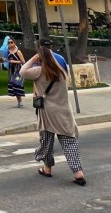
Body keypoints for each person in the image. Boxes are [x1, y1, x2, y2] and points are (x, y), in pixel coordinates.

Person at [20, 37, 86, 185]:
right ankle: (78, 173)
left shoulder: (39, 71)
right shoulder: (62, 70)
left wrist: (34, 58)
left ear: (40, 55)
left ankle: (47, 168)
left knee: (46, 142)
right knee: (69, 142)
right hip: (64, 111)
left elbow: (23, 71)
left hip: (47, 113)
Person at [6, 37, 26, 107]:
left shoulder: (18, 52)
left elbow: (23, 61)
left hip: (18, 70)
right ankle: (19, 102)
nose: (10, 44)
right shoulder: (8, 51)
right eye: (9, 42)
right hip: (11, 70)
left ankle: (21, 102)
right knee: (13, 85)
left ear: (14, 43)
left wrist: (14, 61)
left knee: (17, 84)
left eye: (12, 42)